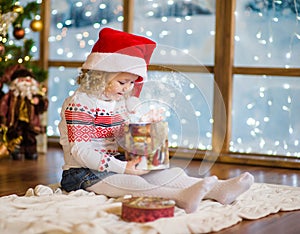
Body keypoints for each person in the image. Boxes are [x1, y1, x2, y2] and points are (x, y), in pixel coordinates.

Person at [58, 27, 254, 214]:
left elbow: (121, 137)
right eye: (122, 82)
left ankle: (219, 190)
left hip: (115, 162)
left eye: (132, 83)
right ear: (100, 76)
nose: (127, 88)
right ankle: (180, 196)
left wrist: (143, 126)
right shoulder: (79, 103)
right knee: (134, 184)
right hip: (82, 172)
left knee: (170, 173)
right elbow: (80, 150)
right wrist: (122, 168)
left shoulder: (117, 103)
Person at [0, 67, 48, 160]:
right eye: (22, 80)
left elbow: (44, 104)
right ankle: (15, 151)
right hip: (15, 120)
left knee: (30, 137)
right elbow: (3, 104)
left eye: (27, 80)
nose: (25, 83)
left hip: (31, 121)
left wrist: (39, 102)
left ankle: (31, 152)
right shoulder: (11, 94)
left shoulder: (36, 94)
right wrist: (2, 118)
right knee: (15, 135)